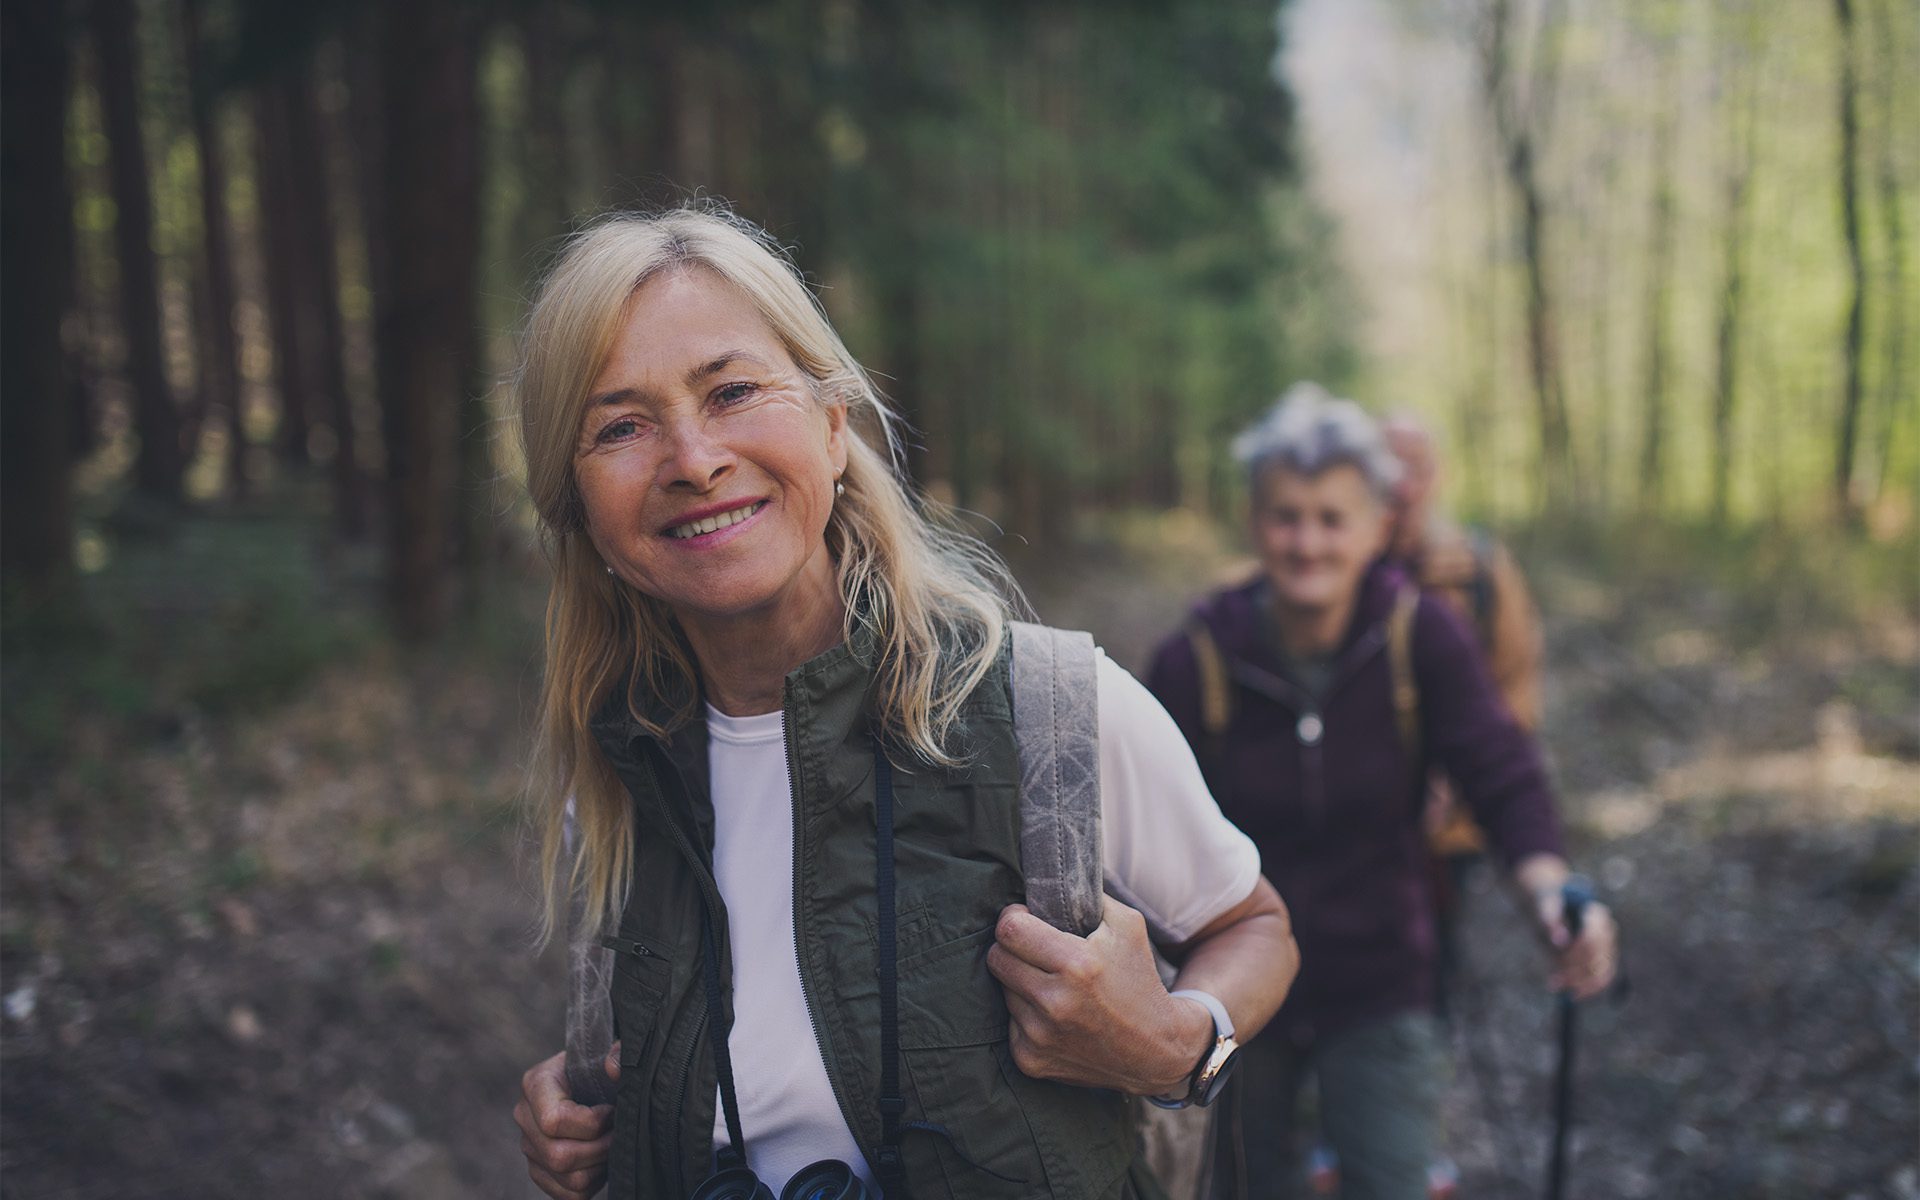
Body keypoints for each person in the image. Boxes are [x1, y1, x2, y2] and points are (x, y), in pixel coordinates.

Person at [507, 205, 1298, 1200]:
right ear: (579, 508)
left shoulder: (1050, 713)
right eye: (621, 426)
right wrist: (591, 1118)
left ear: (834, 426)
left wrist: (1180, 1044)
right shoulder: (617, 783)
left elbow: (1254, 926)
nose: (694, 460)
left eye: (733, 391)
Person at [1144, 385, 1617, 1200]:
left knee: (1391, 1178)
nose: (1308, 542)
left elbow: (1500, 769)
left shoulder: (1421, 634)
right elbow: (1138, 826)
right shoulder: (1199, 657)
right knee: (1239, 1183)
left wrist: (1550, 891)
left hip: (1382, 983)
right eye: (1286, 517)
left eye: (1333, 519)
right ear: (1254, 523)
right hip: (1230, 995)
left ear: (1376, 527)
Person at [1379, 411, 1548, 1016]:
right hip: (1354, 822)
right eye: (1387, 466)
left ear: (1439, 476)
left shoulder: (1478, 570)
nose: (1402, 485)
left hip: (1448, 833)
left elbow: (1515, 688)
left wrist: (1454, 786)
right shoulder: (1332, 561)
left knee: (1431, 961)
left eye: (1417, 468)